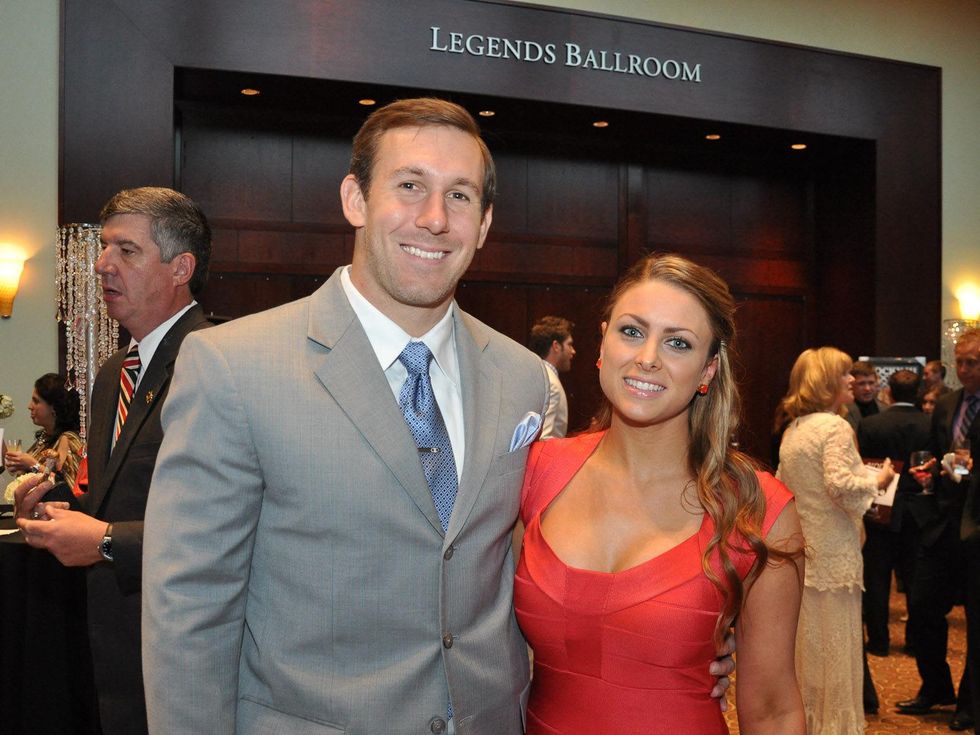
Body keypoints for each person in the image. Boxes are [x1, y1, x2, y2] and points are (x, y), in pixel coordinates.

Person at [140, 100, 732, 735]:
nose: (434, 219)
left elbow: (536, 562)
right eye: (410, 186)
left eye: (460, 196)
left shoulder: (522, 380)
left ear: (483, 225)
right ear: (355, 199)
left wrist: (678, 636)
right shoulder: (234, 366)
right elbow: (189, 610)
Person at [515, 253, 805, 734]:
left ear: (709, 370)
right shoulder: (535, 472)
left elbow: (773, 709)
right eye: (631, 331)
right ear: (602, 343)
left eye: (677, 343)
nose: (647, 357)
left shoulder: (757, 509)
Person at [14, 187, 212, 735]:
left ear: (181, 268)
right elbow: (117, 497)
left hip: (187, 649)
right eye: (104, 248)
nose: (102, 265)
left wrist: (104, 540)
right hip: (112, 646)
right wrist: (58, 506)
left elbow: (232, 527)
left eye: (126, 250)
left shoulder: (221, 362)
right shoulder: (111, 375)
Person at [776, 346, 895, 734]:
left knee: (809, 652)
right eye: (845, 374)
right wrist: (878, 480)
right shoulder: (834, 427)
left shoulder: (795, 429)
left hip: (805, 553)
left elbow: (782, 488)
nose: (851, 379)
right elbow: (841, 485)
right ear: (827, 381)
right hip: (835, 554)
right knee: (836, 650)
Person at [899, 327, 980, 730]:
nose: (964, 370)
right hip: (942, 523)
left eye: (973, 363)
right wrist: (929, 473)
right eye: (960, 362)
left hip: (978, 524)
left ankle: (970, 703)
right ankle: (936, 687)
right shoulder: (948, 404)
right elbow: (931, 452)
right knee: (922, 607)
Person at [856, 369, 931, 657]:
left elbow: (867, 466)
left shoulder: (871, 424)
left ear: (889, 391)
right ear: (918, 393)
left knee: (877, 580)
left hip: (881, 508)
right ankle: (914, 641)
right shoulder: (929, 423)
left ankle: (878, 641)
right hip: (918, 511)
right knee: (914, 582)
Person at [2, 373, 83, 491]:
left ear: (54, 407)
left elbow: (68, 487)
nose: (30, 406)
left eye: (36, 401)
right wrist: (21, 468)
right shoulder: (44, 437)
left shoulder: (68, 439)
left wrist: (33, 465)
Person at [528, 315, 575, 439]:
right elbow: (543, 438)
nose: (573, 351)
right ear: (556, 346)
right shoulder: (551, 384)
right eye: (569, 345)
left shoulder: (536, 375)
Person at [846, 360, 887, 430]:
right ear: (851, 385)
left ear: (876, 383)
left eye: (871, 383)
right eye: (861, 384)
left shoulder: (886, 409)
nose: (867, 388)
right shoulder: (843, 410)